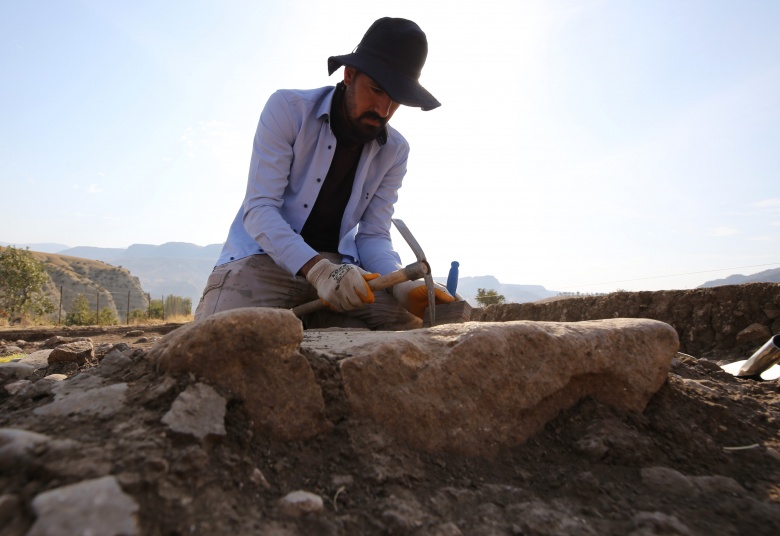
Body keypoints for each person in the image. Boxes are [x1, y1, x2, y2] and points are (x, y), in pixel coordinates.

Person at [194, 17, 454, 329]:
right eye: (376, 90)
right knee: (220, 335)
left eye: (395, 99)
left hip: (346, 272)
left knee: (410, 330)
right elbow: (260, 209)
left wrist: (401, 285)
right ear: (349, 75)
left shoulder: (395, 151)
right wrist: (318, 271)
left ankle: (323, 315)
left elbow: (373, 235)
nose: (383, 110)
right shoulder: (288, 110)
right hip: (265, 260)